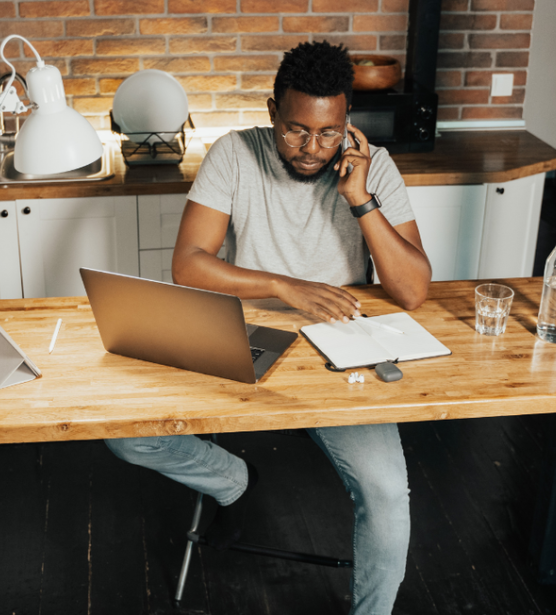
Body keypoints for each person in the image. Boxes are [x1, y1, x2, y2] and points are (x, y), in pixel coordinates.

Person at [105, 41, 432, 615]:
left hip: (340, 348)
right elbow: (190, 263)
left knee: (387, 497)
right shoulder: (234, 153)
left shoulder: (372, 165)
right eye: (295, 130)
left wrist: (360, 200)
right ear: (271, 111)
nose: (311, 149)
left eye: (328, 133)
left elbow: (412, 290)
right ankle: (232, 480)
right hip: (242, 330)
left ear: (346, 122)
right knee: (126, 435)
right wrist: (285, 285)